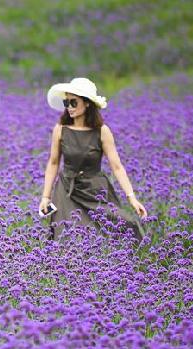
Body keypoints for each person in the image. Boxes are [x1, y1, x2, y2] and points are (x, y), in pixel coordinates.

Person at [39, 77, 147, 241]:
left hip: (95, 190)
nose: (69, 107)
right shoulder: (60, 130)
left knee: (125, 227)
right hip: (67, 191)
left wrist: (132, 198)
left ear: (87, 103)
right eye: (66, 103)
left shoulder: (102, 131)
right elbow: (53, 163)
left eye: (73, 102)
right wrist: (45, 197)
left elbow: (117, 167)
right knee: (68, 236)